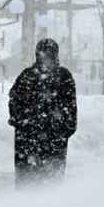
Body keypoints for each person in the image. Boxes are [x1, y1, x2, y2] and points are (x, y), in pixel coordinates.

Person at [9, 38, 77, 188]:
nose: (45, 60)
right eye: (42, 55)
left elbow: (71, 112)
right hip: (29, 144)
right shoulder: (27, 77)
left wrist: (60, 129)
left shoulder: (64, 77)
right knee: (28, 186)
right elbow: (14, 104)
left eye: (49, 56)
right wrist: (26, 124)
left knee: (50, 186)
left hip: (50, 144)